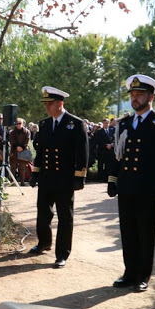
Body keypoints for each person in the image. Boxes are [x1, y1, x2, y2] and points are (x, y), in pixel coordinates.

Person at [107, 74, 155, 292]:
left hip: (149, 188)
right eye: (133, 94)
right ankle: (129, 273)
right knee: (127, 232)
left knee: (146, 233)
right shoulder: (125, 123)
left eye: (140, 94)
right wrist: (112, 179)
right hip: (127, 187)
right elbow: (117, 155)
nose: (135, 98)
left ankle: (143, 276)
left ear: (151, 97)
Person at [28, 86, 88, 269]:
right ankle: (44, 243)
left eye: (50, 103)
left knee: (65, 217)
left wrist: (79, 177)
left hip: (65, 179)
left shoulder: (75, 124)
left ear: (60, 104)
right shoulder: (44, 124)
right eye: (45, 103)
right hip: (47, 178)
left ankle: (62, 254)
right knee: (43, 214)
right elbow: (41, 152)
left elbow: (82, 153)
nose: (46, 107)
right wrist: (35, 173)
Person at [9, 117, 31, 183]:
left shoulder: (27, 132)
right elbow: (11, 140)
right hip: (14, 151)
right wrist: (16, 147)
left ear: (23, 124)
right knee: (13, 167)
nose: (18, 125)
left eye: (20, 123)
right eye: (17, 123)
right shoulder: (12, 132)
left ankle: (22, 181)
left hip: (23, 151)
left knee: (22, 168)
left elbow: (27, 140)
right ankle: (12, 181)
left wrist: (22, 147)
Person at [94, 118, 114, 182]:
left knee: (108, 165)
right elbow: (98, 140)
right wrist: (106, 145)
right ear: (103, 124)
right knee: (100, 165)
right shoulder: (99, 131)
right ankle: (100, 178)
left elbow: (114, 138)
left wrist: (111, 145)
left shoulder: (112, 130)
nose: (106, 124)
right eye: (105, 123)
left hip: (110, 150)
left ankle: (106, 178)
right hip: (102, 150)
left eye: (107, 123)